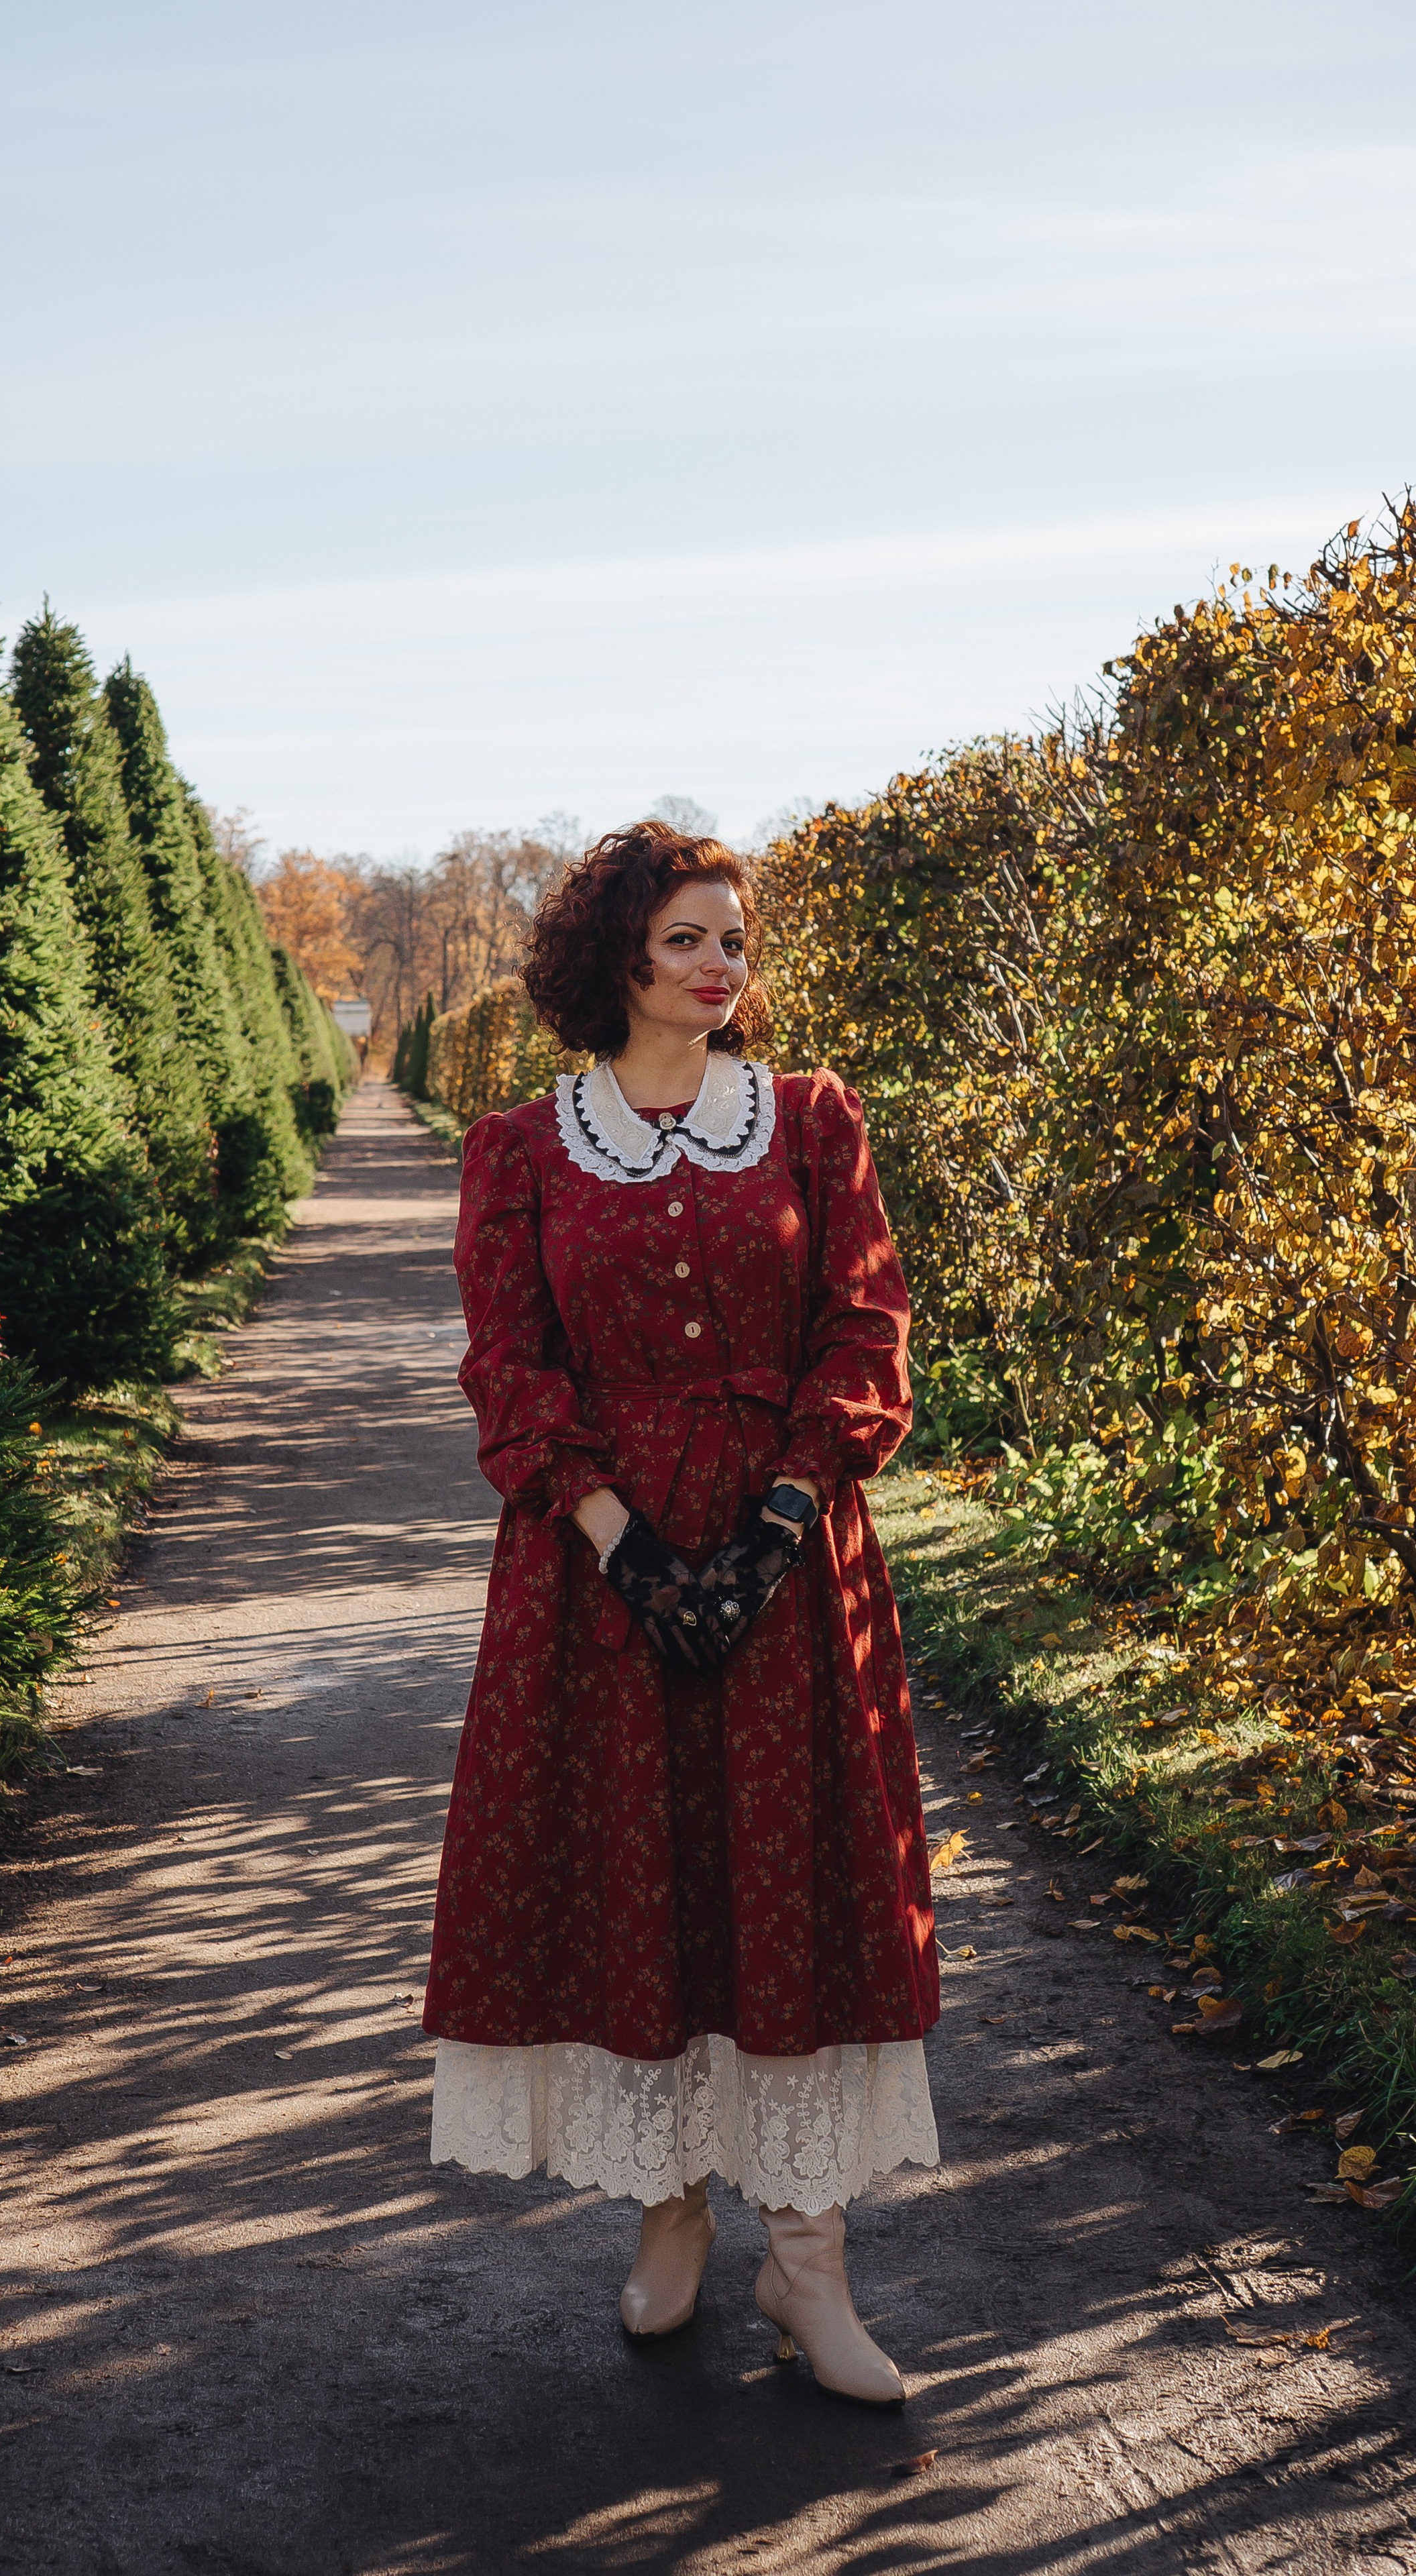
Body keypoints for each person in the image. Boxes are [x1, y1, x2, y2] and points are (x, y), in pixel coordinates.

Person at [423, 818, 939, 2403]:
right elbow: (509, 1366)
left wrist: (778, 1526)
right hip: (598, 1579)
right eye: (686, 940)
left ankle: (808, 2263)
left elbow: (864, 1329)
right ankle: (670, 2211)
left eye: (733, 939)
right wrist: (625, 1549)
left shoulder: (807, 1121)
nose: (722, 966)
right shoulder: (524, 1148)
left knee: (790, 1887)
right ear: (617, 961)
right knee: (641, 1883)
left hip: (788, 1561)